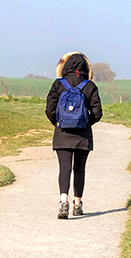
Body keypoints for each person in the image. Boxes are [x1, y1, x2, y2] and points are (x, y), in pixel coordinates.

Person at [44, 51, 103, 218]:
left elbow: (50, 110)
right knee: (79, 169)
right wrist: (84, 123)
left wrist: (60, 123)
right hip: (83, 136)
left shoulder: (58, 84)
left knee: (64, 168)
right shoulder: (90, 86)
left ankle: (64, 203)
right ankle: (77, 204)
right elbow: (98, 113)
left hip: (62, 133)